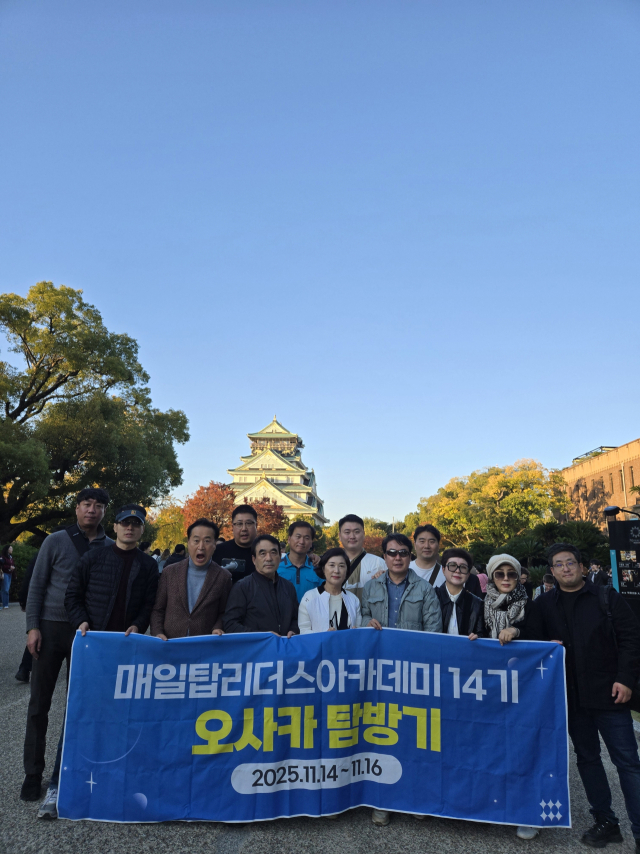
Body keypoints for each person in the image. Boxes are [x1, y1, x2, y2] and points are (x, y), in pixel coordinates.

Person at [524, 543, 640, 850]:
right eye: (559, 565)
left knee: (627, 762)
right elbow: (531, 643)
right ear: (552, 571)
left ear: (582, 567)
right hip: (571, 698)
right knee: (588, 760)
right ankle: (606, 822)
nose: (565, 568)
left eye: (570, 563)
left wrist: (626, 679)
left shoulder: (606, 597)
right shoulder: (544, 604)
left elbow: (631, 638)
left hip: (610, 694)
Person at [22, 488, 112, 805]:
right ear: (76, 508)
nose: (92, 510)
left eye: (99, 506)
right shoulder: (56, 540)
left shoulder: (109, 546)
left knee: (79, 707)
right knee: (38, 704)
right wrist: (33, 626)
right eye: (87, 504)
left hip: (86, 634)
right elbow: (36, 585)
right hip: (51, 626)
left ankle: (64, 771)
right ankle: (33, 773)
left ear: (104, 512)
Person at [361, 532, 442, 826]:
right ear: (384, 556)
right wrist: (364, 623)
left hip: (412, 675)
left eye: (403, 553)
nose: (397, 557)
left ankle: (415, 796)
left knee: (413, 737)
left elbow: (434, 631)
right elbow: (360, 619)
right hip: (379, 676)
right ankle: (382, 800)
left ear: (410, 556)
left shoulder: (425, 589)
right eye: (392, 552)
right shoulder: (370, 587)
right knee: (382, 735)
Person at [483, 553, 536, 841]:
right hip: (488, 688)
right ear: (491, 577)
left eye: (511, 574)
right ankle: (489, 805)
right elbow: (476, 631)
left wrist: (516, 629)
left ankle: (525, 812)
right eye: (499, 574)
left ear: (518, 577)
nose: (505, 579)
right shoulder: (481, 603)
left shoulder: (530, 606)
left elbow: (540, 635)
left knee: (522, 748)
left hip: (522, 689)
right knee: (490, 746)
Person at [151, 518, 232, 639]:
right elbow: (158, 609)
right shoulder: (169, 572)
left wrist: (218, 627)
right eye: (196, 540)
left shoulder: (224, 576)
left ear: (215, 545)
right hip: (170, 643)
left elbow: (223, 612)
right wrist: (157, 632)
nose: (201, 546)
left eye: (207, 541)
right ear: (188, 543)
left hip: (203, 647)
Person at [223, 534, 299, 636]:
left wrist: (293, 630)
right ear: (254, 559)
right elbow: (230, 624)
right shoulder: (242, 587)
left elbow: (295, 618)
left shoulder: (288, 587)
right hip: (256, 649)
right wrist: (262, 636)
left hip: (285, 648)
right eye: (262, 553)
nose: (269, 558)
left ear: (280, 556)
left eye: (273, 553)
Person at [298, 548, 361, 633]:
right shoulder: (309, 598)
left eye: (341, 566)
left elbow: (359, 630)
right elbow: (303, 631)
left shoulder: (354, 600)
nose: (336, 570)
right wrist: (325, 637)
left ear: (347, 571)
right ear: (323, 568)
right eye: (332, 565)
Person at [435, 548, 484, 639]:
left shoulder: (477, 603)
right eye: (452, 565)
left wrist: (478, 637)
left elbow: (481, 633)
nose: (457, 571)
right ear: (443, 569)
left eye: (463, 567)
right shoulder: (431, 597)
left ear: (468, 574)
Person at [339, 514, 386, 604]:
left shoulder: (378, 563)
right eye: (347, 532)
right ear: (340, 536)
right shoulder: (331, 564)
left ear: (363, 534)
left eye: (356, 532)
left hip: (370, 617)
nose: (352, 536)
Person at [212, 504, 258, 584]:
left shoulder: (262, 553)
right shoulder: (217, 551)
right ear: (232, 527)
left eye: (249, 523)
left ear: (256, 526)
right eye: (239, 524)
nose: (244, 529)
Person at [277, 521, 321, 603]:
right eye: (298, 536)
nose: (301, 541)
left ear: (311, 543)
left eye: (306, 538)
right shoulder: (276, 567)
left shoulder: (318, 568)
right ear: (289, 539)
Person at [15, 551, 39, 683]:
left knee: (36, 633)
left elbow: (28, 578)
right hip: (46, 602)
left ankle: (24, 668)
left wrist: (23, 599)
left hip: (38, 601)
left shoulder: (39, 555)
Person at [1, 543, 16, 608]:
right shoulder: (3, 557)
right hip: (5, 573)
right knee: (5, 589)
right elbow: (2, 565)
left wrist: (14, 574)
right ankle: (5, 604)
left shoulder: (11, 557)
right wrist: (9, 567)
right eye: (10, 548)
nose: (11, 549)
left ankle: (4, 602)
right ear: (7, 549)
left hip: (10, 574)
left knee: (5, 589)